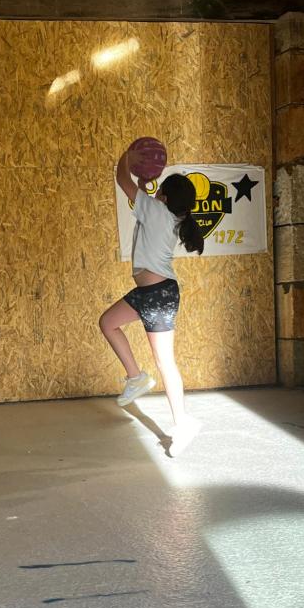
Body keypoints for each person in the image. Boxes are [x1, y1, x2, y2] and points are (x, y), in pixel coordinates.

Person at [99, 146, 204, 457]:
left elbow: (121, 179)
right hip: (149, 293)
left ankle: (183, 423)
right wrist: (146, 187)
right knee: (108, 322)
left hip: (157, 295)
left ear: (166, 198)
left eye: (159, 193)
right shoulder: (166, 214)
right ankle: (136, 377)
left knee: (165, 361)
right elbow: (143, 200)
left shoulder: (157, 211)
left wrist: (127, 156)